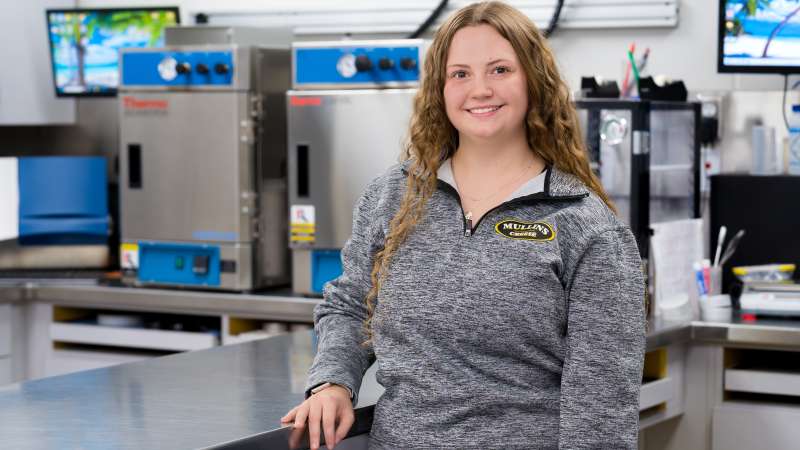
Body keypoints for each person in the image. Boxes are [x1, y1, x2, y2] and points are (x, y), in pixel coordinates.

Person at [281, 2, 646, 449]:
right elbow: (352, 306)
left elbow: (602, 409)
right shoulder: (392, 197)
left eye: (499, 70)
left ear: (534, 82)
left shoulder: (586, 228)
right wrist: (333, 382)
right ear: (439, 89)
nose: (479, 90)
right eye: (460, 74)